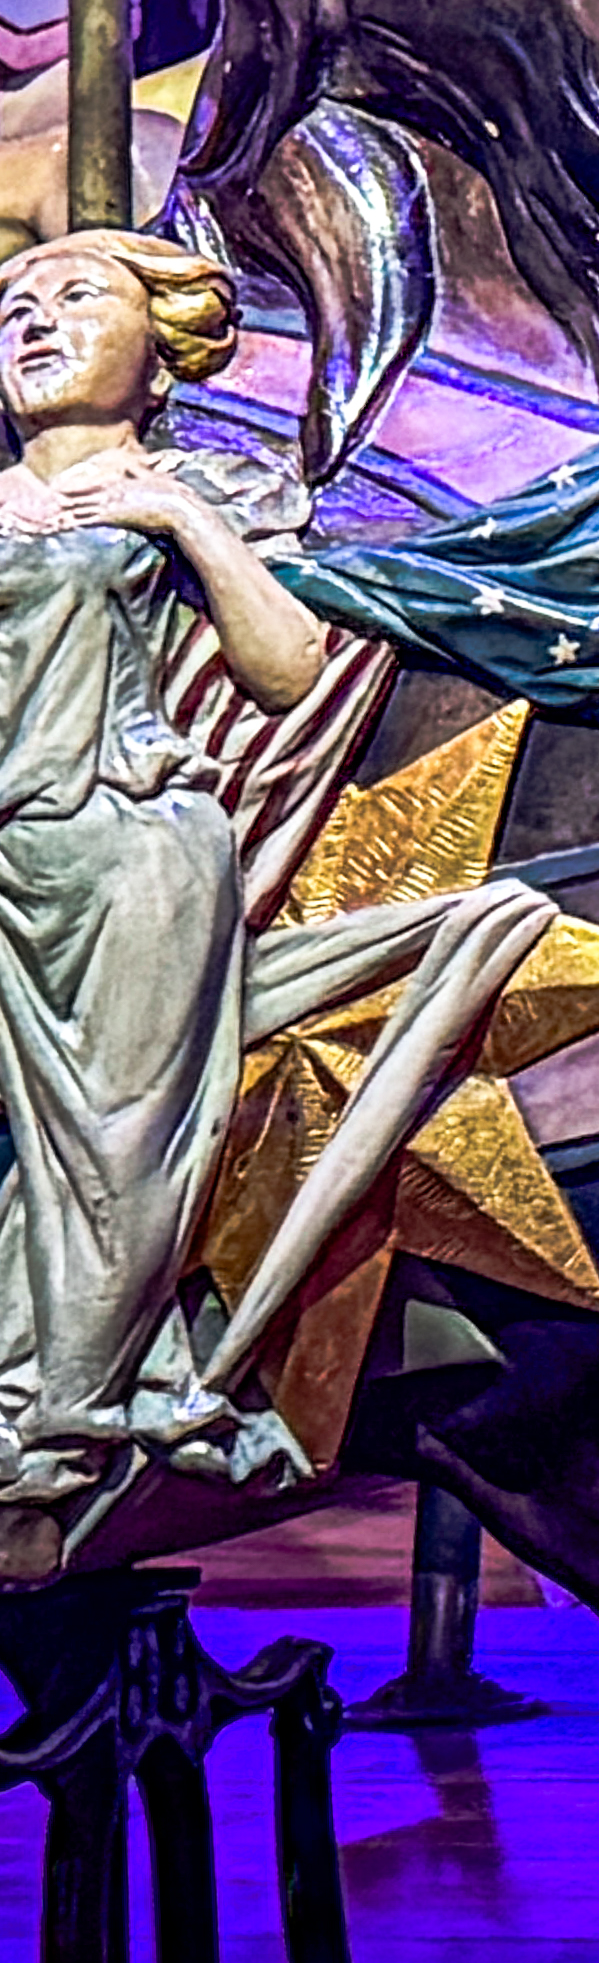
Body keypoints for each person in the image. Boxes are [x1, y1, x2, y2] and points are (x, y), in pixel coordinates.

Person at [0, 229, 547, 1542]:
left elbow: (290, 669)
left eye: (76, 296)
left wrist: (176, 517)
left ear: (158, 356)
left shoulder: (190, 488)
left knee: (116, 1154)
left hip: (123, 853)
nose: (32, 320)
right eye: (13, 304)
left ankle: (51, 1436)